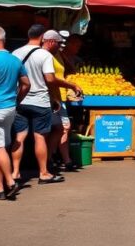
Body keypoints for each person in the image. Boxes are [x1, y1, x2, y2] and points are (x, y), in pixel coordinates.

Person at [10, 26, 66, 184]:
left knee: (20, 136)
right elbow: (49, 79)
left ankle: (15, 172)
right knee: (40, 137)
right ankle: (43, 173)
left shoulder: (15, 53)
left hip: (20, 100)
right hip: (39, 102)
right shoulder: (44, 55)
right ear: (42, 37)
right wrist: (67, 86)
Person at [0, 26, 29, 200]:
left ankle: (9, 182)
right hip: (9, 108)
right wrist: (17, 100)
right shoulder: (14, 60)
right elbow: (26, 83)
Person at [48, 32, 84, 172]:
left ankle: (65, 159)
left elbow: (70, 70)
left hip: (61, 95)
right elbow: (51, 78)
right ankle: (51, 158)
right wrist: (71, 86)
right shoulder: (49, 56)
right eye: (59, 43)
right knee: (60, 128)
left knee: (63, 128)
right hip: (55, 96)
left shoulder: (59, 55)